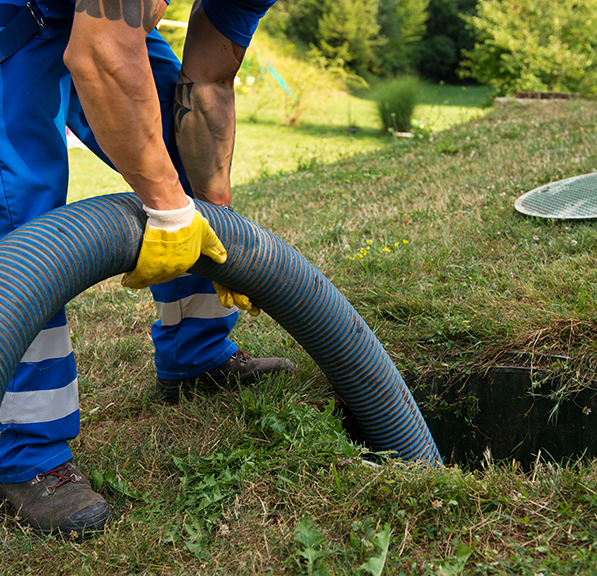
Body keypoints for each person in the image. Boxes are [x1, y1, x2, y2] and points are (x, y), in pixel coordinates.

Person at [0, 0, 293, 537]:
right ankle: (26, 450)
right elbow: (99, 53)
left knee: (180, 145)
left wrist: (212, 213)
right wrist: (168, 207)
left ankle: (196, 354)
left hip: (86, 15)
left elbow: (207, 82)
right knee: (18, 216)